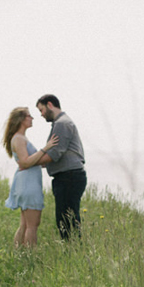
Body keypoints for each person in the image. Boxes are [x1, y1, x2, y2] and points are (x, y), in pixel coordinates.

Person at [2, 106, 57, 247]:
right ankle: (30, 257)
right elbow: (25, 162)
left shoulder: (20, 138)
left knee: (25, 224)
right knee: (32, 225)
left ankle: (19, 254)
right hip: (28, 184)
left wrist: (40, 160)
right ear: (21, 119)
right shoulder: (19, 139)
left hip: (26, 183)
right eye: (29, 116)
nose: (32, 118)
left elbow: (28, 161)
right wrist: (46, 148)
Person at [36, 93, 86, 240]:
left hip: (69, 177)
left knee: (66, 219)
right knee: (65, 217)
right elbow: (56, 154)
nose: (41, 114)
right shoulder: (60, 123)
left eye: (41, 110)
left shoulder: (62, 123)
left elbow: (55, 153)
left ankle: (73, 250)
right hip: (67, 177)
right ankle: (73, 250)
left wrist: (29, 162)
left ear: (50, 104)